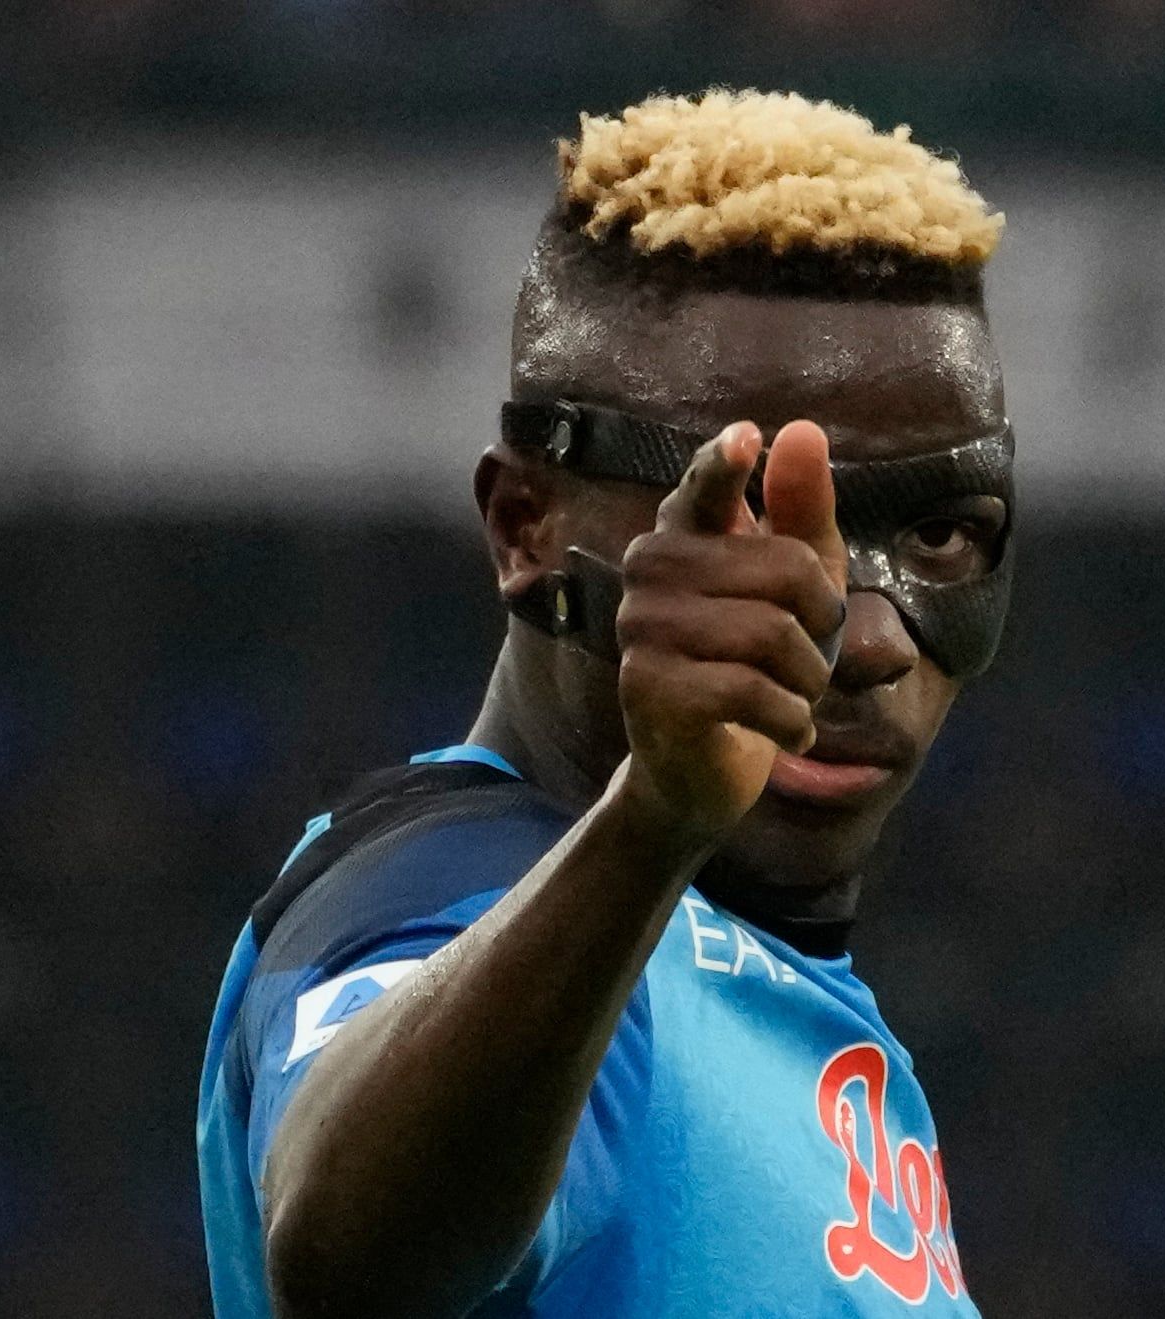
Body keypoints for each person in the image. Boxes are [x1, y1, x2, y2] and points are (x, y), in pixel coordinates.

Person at [196, 87, 1013, 1317]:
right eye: (757, 523)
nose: (870, 637)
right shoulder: (442, 884)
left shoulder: (777, 1002)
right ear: (527, 527)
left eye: (943, 533)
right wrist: (651, 820)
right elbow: (346, 1253)